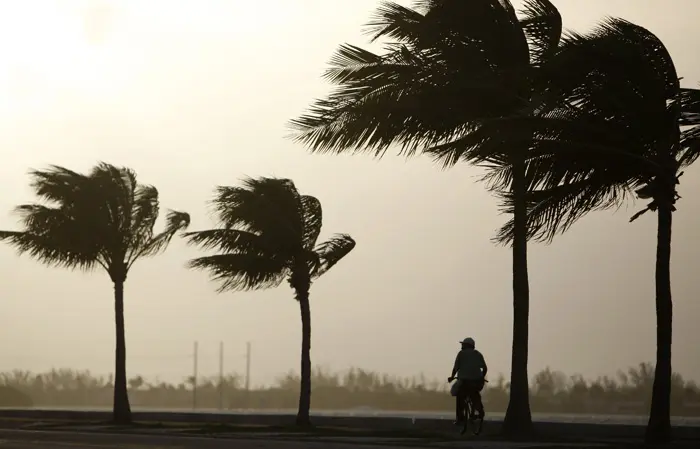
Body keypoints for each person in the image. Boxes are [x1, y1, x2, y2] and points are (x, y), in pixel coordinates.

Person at [448, 337, 487, 424]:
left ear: (466, 345)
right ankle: (480, 410)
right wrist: (481, 377)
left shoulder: (461, 354)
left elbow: (456, 368)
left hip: (464, 381)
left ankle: (460, 419)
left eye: (463, 345)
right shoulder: (478, 354)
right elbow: (484, 368)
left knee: (459, 397)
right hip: (477, 381)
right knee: (475, 392)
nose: (461, 346)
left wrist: (451, 377)